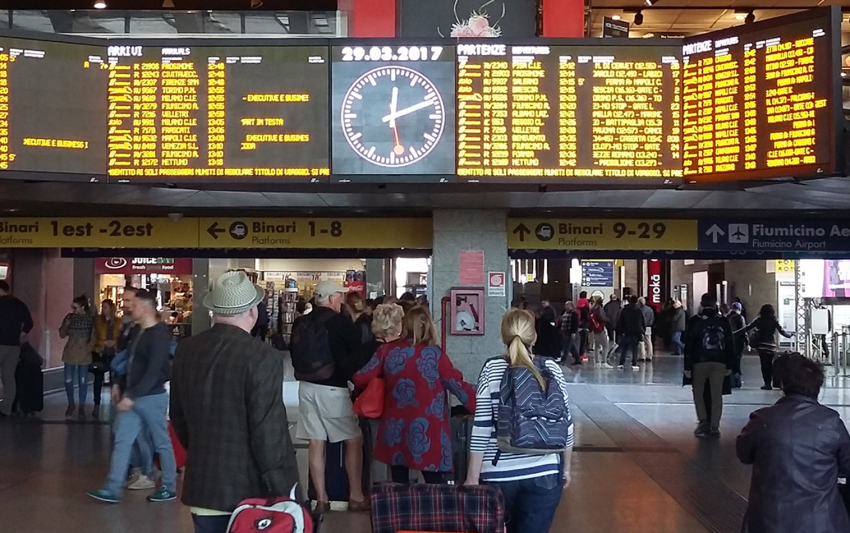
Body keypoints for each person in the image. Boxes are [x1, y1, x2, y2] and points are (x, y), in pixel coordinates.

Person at [170, 271, 299, 533]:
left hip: (203, 487)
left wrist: (202, 450)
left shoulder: (187, 349)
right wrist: (283, 489)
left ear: (214, 311)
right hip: (251, 494)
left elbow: (178, 416)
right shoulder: (262, 357)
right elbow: (268, 432)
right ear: (252, 312)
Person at [465, 308, 573, 533]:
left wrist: (472, 478)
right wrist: (566, 470)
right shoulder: (551, 368)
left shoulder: (492, 369)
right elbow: (567, 425)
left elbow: (482, 427)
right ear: (534, 337)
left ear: (503, 337)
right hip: (544, 472)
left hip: (497, 475)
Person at [353, 305, 475, 485]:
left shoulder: (387, 351)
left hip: (396, 426)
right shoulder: (434, 354)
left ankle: (401, 511)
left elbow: (359, 378)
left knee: (399, 480)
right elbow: (457, 385)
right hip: (429, 428)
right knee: (434, 481)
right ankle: (434, 511)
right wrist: (481, 407)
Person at [737, 353, 850, 533]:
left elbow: (743, 453)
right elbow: (846, 466)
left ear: (784, 385)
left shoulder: (762, 419)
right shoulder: (831, 421)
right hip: (821, 522)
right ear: (818, 386)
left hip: (768, 522)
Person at [292, 280, 377, 513]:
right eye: (339, 297)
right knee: (354, 439)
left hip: (306, 387)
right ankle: (356, 496)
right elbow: (355, 356)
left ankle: (321, 499)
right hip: (334, 390)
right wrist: (373, 346)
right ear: (330, 298)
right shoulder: (339, 322)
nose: (341, 301)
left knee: (315, 442)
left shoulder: (300, 322)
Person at [87, 289, 177, 504]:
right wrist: (119, 384)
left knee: (161, 442)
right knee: (123, 440)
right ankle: (113, 486)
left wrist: (131, 395)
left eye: (133, 304)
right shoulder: (137, 331)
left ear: (145, 307)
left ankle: (169, 486)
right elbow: (129, 361)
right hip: (134, 395)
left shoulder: (159, 335)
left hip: (151, 398)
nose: (129, 307)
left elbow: (155, 371)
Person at [684, 293, 736, 438]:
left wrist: (687, 367)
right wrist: (730, 364)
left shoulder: (695, 321)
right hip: (719, 362)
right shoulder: (723, 321)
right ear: (715, 304)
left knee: (698, 393)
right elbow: (729, 343)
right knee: (716, 394)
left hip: (699, 362)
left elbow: (689, 344)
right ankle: (714, 426)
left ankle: (703, 421)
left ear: (701, 304)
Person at [736, 304, 795, 391]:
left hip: (762, 346)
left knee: (764, 365)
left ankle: (767, 384)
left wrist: (734, 333)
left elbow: (747, 328)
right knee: (770, 365)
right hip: (771, 346)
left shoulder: (759, 320)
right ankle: (770, 382)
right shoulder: (774, 320)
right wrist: (789, 335)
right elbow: (781, 331)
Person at [0, 280, 33, 418]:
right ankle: (6, 409)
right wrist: (19, 335)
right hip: (14, 346)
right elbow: (29, 324)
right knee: (9, 378)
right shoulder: (19, 304)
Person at [59, 295, 95, 419]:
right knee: (68, 380)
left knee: (82, 381)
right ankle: (71, 403)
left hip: (83, 352)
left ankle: (81, 407)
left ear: (82, 307)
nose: (73, 310)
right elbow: (62, 334)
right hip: (70, 351)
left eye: (75, 307)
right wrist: (66, 324)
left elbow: (93, 336)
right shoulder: (70, 317)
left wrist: (88, 348)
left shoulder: (90, 319)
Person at [92, 299, 122, 418]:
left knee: (114, 380)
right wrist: (102, 343)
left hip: (114, 352)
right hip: (101, 352)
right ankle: (96, 404)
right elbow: (95, 336)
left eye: (105, 307)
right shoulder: (98, 322)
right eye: (102, 307)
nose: (103, 310)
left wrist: (114, 343)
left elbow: (120, 337)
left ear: (111, 308)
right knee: (98, 379)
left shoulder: (118, 322)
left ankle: (114, 403)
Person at [617, 296, 645, 370]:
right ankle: (634, 363)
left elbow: (620, 322)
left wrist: (620, 332)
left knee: (624, 347)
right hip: (636, 331)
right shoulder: (639, 310)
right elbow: (642, 322)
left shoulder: (624, 310)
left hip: (626, 331)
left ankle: (621, 363)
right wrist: (643, 331)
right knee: (635, 348)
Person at [727, 302, 747, 387]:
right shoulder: (740, 318)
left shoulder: (726, 317)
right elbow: (743, 331)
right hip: (738, 343)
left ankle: (729, 382)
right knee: (737, 362)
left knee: (729, 362)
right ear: (739, 309)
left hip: (727, 343)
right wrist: (747, 343)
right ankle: (737, 382)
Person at [589, 298, 612, 369]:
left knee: (596, 346)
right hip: (600, 328)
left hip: (595, 329)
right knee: (605, 345)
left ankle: (597, 362)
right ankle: (604, 362)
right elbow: (601, 318)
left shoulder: (592, 309)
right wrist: (607, 319)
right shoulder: (599, 309)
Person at [637, 297, 655, 363]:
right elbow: (652, 318)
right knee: (648, 341)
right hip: (649, 327)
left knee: (641, 341)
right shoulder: (650, 309)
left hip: (642, 327)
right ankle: (649, 356)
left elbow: (641, 319)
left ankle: (642, 356)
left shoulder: (640, 310)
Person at [576, 291, 591, 360]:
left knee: (578, 340)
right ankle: (581, 354)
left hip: (578, 323)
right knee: (583, 340)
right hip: (584, 325)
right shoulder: (585, 304)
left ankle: (577, 353)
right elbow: (586, 315)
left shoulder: (578, 303)